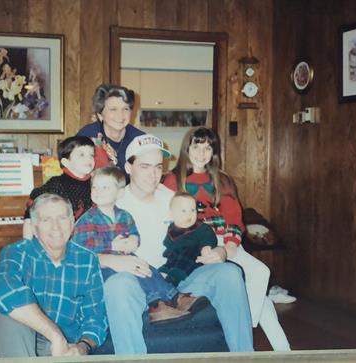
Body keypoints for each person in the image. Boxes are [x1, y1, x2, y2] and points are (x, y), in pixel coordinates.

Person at [100, 134, 253, 354]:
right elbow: (82, 251)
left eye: (158, 167)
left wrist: (219, 250)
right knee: (118, 285)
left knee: (228, 272)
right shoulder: (112, 203)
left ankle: (244, 357)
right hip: (140, 284)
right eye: (144, 166)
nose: (153, 174)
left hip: (180, 278)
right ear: (128, 166)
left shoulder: (172, 197)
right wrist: (113, 260)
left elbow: (200, 231)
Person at [163, 126, 290, 351]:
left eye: (207, 148)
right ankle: (273, 345)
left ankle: (277, 346)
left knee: (261, 273)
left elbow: (234, 215)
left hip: (225, 240)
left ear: (214, 152)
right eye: (196, 146)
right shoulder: (172, 180)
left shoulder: (222, 180)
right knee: (262, 298)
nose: (201, 153)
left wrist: (231, 245)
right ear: (186, 149)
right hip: (195, 244)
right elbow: (166, 218)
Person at [72, 166, 202, 324]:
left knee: (144, 267)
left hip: (126, 259)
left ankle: (174, 299)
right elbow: (82, 248)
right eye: (95, 187)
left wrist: (133, 240)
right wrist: (111, 245)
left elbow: (134, 233)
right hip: (101, 270)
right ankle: (158, 304)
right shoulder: (87, 219)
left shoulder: (124, 215)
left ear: (119, 193)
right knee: (134, 271)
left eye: (105, 187)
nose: (98, 191)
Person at [0, 193, 108, 357]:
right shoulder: (16, 252)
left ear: (72, 224)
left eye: (62, 218)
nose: (55, 227)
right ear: (34, 228)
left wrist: (82, 347)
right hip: (15, 341)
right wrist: (56, 336)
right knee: (7, 317)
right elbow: (6, 293)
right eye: (46, 220)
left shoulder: (87, 260)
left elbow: (95, 319)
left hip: (61, 350)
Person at [23, 136, 95, 238]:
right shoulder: (57, 184)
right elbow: (31, 208)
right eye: (82, 155)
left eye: (91, 155)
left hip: (91, 236)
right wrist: (27, 243)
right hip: (62, 239)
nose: (89, 159)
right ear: (66, 162)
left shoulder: (96, 183)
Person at [77, 84, 144, 171]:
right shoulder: (87, 135)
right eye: (113, 109)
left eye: (126, 109)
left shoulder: (140, 140)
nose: (120, 115)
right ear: (100, 115)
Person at [159, 192, 219, 287]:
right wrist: (168, 251)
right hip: (175, 256)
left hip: (193, 258)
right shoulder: (171, 228)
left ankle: (173, 279)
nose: (189, 214)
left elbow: (208, 236)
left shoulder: (201, 227)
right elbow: (168, 242)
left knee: (186, 257)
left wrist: (206, 246)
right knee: (169, 263)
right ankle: (162, 273)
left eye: (192, 210)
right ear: (172, 214)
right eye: (184, 211)